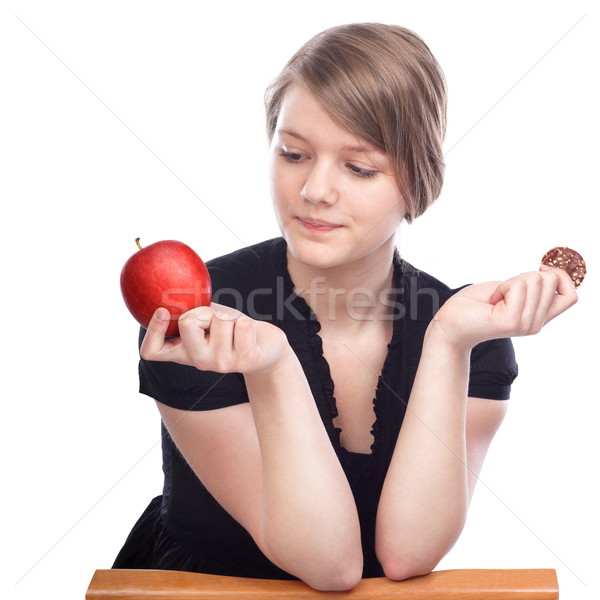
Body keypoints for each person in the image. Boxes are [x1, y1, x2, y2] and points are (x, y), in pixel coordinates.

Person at [112, 23, 578, 591]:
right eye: (293, 154)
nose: (314, 190)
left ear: (418, 180)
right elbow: (326, 565)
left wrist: (449, 342)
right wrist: (275, 366)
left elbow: (407, 555)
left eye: (359, 167)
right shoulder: (200, 316)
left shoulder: (468, 330)